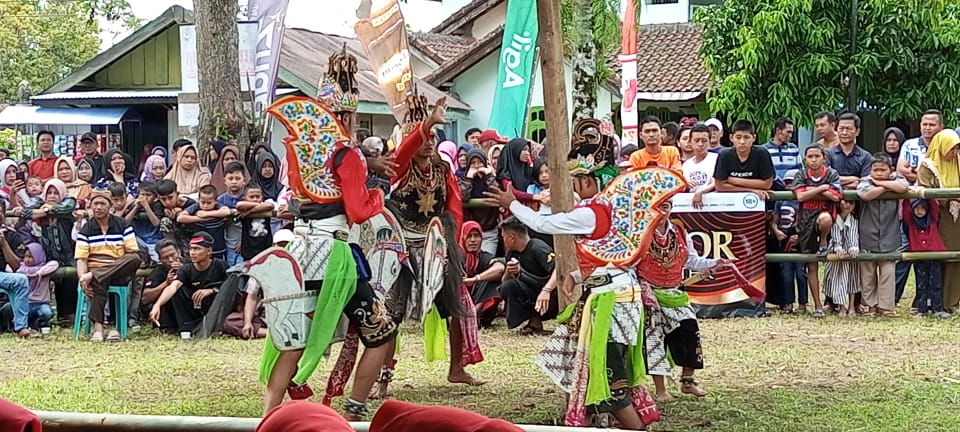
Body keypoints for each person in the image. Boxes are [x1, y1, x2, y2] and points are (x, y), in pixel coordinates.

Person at [484, 119, 661, 430]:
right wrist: (579, 276)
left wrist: (513, 203)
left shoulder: (592, 213)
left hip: (610, 303)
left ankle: (633, 427)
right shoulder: (621, 208)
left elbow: (545, 225)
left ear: (590, 181)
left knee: (610, 379)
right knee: (594, 368)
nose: (575, 187)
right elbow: (612, 257)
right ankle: (588, 420)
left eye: (578, 181)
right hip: (622, 297)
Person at [251, 53, 402, 419]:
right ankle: (354, 409)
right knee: (381, 332)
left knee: (292, 338)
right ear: (348, 116)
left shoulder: (301, 152)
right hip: (336, 256)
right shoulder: (346, 154)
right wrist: (377, 193)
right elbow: (358, 210)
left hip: (301, 251)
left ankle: (269, 414)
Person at [385, 95, 484, 390]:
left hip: (437, 245)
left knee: (458, 306)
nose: (428, 142)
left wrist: (452, 249)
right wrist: (426, 122)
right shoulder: (399, 167)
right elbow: (402, 153)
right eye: (422, 137)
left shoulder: (443, 169)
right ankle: (383, 378)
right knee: (392, 314)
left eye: (433, 137)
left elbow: (453, 207)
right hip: (404, 245)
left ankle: (457, 368)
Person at [641, 199, 729, 402]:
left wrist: (716, 262)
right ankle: (661, 390)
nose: (662, 211)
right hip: (650, 293)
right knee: (654, 339)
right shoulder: (640, 232)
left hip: (674, 292)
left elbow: (691, 260)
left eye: (666, 206)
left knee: (690, 329)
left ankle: (688, 381)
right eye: (657, 206)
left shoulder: (679, 231)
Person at [75, 188, 142, 342]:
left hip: (118, 270)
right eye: (95, 204)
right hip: (95, 269)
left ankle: (100, 328)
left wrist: (93, 275)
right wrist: (82, 278)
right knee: (99, 279)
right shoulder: (87, 229)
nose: (98, 207)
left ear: (110, 206)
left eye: (102, 203)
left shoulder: (123, 225)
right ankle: (103, 328)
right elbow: (81, 258)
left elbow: (131, 252)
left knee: (135, 259)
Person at [789, 145, 841, 317]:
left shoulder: (831, 174)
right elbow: (800, 196)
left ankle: (836, 302)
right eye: (810, 156)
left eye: (817, 156)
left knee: (825, 219)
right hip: (805, 222)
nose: (813, 159)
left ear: (823, 158)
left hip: (825, 218)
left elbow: (836, 196)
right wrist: (822, 189)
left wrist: (812, 190)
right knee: (812, 265)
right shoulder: (801, 174)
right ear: (805, 159)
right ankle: (817, 305)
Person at [20, 178, 78, 325]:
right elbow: (26, 211)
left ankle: (72, 317)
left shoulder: (68, 203)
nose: (52, 195)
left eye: (55, 193)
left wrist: (46, 210)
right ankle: (60, 317)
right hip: (51, 259)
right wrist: (41, 205)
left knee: (70, 282)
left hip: (70, 256)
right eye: (49, 192)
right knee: (57, 283)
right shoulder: (42, 203)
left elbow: (66, 207)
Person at [857, 153, 908, 317]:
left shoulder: (897, 178)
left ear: (891, 170)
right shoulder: (865, 181)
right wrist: (886, 186)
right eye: (875, 170)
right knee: (867, 272)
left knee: (888, 271)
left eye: (882, 170)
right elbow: (865, 194)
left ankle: (885, 306)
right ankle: (869, 306)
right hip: (867, 232)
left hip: (889, 233)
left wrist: (879, 184)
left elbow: (903, 188)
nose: (878, 173)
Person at [149, 232, 227, 335]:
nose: (192, 253)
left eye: (197, 249)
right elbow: (173, 286)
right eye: (191, 249)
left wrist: (212, 290)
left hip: (217, 309)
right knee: (177, 290)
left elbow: (231, 289)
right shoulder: (186, 269)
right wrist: (157, 305)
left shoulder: (220, 265)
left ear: (209, 251)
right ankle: (186, 328)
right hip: (195, 308)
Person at [917, 129, 960, 313]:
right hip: (937, 219)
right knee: (939, 259)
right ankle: (935, 301)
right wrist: (949, 199)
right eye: (952, 149)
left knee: (955, 259)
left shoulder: (958, 163)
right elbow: (925, 191)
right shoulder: (928, 166)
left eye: (957, 149)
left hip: (956, 220)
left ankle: (952, 301)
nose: (954, 153)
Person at [498, 217, 556, 334]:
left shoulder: (537, 247)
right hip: (532, 296)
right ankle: (533, 320)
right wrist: (509, 272)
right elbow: (504, 283)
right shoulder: (511, 253)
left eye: (503, 237)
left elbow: (558, 269)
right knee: (508, 286)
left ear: (511, 238)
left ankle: (536, 319)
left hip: (552, 297)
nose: (503, 241)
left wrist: (547, 290)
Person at [902, 199, 950, 318]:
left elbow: (933, 205)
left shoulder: (932, 220)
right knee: (921, 283)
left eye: (922, 208)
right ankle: (922, 309)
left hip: (934, 255)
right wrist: (911, 194)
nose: (919, 211)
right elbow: (905, 208)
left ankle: (937, 309)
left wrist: (925, 194)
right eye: (916, 208)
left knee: (936, 283)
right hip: (919, 257)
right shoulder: (911, 222)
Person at [769, 169, 806, 314]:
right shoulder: (780, 200)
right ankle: (788, 303)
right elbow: (774, 221)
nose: (790, 185)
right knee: (786, 274)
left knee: (801, 273)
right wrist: (776, 231)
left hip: (800, 241)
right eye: (787, 182)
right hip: (784, 241)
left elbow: (808, 222)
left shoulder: (803, 199)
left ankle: (802, 303)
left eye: (793, 182)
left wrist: (801, 236)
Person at [713, 119, 775, 199]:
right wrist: (751, 190)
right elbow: (720, 186)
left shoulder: (762, 153)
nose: (742, 142)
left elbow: (767, 184)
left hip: (759, 201)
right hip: (730, 201)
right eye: (738, 138)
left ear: (754, 138)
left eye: (746, 137)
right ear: (731, 138)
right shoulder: (724, 155)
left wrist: (733, 180)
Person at [459, 221, 504, 328]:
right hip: (458, 306)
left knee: (492, 278)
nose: (473, 240)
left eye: (476, 236)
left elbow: (500, 268)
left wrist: (476, 279)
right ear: (462, 238)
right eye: (469, 236)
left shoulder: (484, 257)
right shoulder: (455, 257)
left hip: (480, 310)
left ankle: (474, 316)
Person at [821, 200, 860, 316]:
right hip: (836, 251)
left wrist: (854, 247)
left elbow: (854, 236)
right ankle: (841, 306)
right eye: (845, 202)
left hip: (850, 252)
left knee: (852, 278)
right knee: (838, 279)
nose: (848, 205)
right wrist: (838, 247)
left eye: (851, 203)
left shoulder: (854, 220)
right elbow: (835, 237)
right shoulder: (834, 220)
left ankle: (852, 305)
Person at [458, 148, 500, 255]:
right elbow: (463, 196)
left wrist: (489, 176)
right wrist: (469, 178)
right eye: (473, 163)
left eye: (480, 162)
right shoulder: (462, 180)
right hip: (469, 232)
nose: (477, 166)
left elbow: (497, 193)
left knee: (487, 260)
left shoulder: (491, 178)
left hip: (488, 230)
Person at [0, 198, 30, 338]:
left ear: (4, 214)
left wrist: (3, 243)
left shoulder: (11, 235)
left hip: (1, 275)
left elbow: (16, 265)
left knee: (21, 280)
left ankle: (21, 327)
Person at [177, 184, 232, 261]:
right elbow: (180, 218)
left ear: (216, 201)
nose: (205, 206)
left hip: (218, 248)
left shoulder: (218, 207)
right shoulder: (196, 206)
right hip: (200, 248)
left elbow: (227, 211)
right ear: (199, 200)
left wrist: (206, 214)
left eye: (209, 203)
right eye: (203, 202)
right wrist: (200, 218)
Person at [141, 239, 181, 331]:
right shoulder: (158, 272)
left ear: (179, 252)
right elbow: (145, 299)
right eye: (165, 257)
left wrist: (184, 271)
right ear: (159, 259)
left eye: (172, 255)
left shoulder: (190, 265)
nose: (170, 260)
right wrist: (165, 283)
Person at [826, 113, 872, 190]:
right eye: (841, 128)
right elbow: (826, 179)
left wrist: (837, 184)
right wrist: (854, 179)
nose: (844, 132)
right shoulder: (828, 154)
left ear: (857, 131)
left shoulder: (865, 156)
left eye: (849, 129)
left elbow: (865, 182)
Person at [18, 242, 58, 331]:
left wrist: (38, 273)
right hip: (26, 304)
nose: (27, 260)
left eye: (30, 257)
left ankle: (41, 323)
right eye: (25, 257)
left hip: (42, 303)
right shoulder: (22, 270)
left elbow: (55, 264)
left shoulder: (44, 269)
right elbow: (14, 270)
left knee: (47, 313)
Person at [497, 138, 543, 209]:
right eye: (524, 150)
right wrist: (534, 197)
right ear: (515, 151)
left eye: (528, 150)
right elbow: (512, 192)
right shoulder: (505, 174)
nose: (527, 153)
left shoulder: (528, 169)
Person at [218, 161, 248, 266]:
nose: (234, 182)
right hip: (228, 243)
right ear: (225, 181)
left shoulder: (248, 197)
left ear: (244, 180)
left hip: (245, 242)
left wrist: (244, 241)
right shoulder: (220, 200)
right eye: (230, 179)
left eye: (237, 178)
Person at [126, 181, 163, 263]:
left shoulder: (157, 205)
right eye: (142, 194)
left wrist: (146, 207)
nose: (145, 198)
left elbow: (156, 223)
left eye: (148, 195)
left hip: (154, 240)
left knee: (158, 260)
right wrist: (136, 208)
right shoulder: (133, 205)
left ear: (155, 197)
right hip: (139, 241)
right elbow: (125, 223)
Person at [681, 124, 718, 204]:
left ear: (710, 141)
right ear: (690, 141)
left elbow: (718, 182)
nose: (700, 144)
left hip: (714, 203)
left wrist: (701, 191)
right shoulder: (686, 165)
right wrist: (686, 185)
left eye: (704, 141)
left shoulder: (717, 159)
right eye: (696, 140)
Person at [237, 185, 275, 260]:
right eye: (251, 197)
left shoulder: (265, 207)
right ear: (244, 198)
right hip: (249, 250)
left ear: (262, 197)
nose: (255, 199)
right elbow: (239, 205)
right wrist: (259, 205)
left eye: (258, 197)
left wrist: (249, 212)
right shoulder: (243, 209)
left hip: (266, 248)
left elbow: (270, 205)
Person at [763, 117, 800, 186]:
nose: (790, 135)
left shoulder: (794, 148)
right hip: (772, 189)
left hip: (791, 189)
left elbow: (800, 171)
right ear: (778, 130)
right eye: (788, 132)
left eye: (791, 132)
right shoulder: (764, 150)